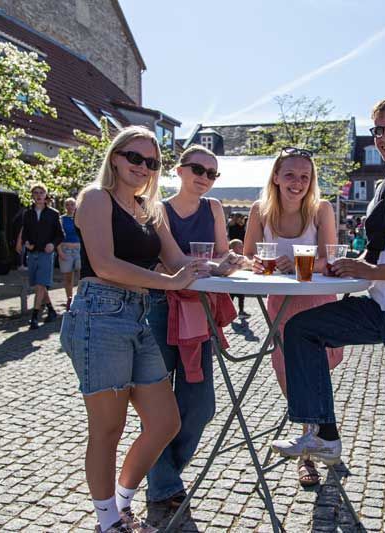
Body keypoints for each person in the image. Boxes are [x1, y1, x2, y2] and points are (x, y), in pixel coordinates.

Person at [271, 96, 385, 533]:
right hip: (379, 307)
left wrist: (370, 270)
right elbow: (378, 250)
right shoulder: (384, 185)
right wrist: (338, 265)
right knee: (302, 329)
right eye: (379, 131)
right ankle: (324, 436)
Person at [60, 125, 210, 533]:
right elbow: (104, 264)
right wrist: (169, 282)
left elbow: (179, 260)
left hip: (136, 314)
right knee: (108, 427)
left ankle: (122, 503)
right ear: (115, 157)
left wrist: (226, 266)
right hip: (98, 314)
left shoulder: (150, 208)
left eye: (152, 162)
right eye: (135, 158)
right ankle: (108, 521)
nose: (143, 167)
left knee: (165, 421)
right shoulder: (95, 198)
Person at [144, 144, 242, 512]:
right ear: (180, 170)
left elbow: (217, 254)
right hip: (158, 306)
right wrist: (212, 267)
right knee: (157, 405)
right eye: (198, 169)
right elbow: (163, 264)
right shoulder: (157, 208)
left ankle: (165, 477)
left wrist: (229, 261)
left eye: (212, 173)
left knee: (200, 405)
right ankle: (165, 484)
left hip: (198, 308)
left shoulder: (213, 207)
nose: (205, 178)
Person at [244, 146, 341, 488]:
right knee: (287, 375)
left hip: (316, 301)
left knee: (313, 374)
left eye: (304, 176)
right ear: (275, 177)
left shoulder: (321, 209)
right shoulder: (260, 211)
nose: (297, 182)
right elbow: (246, 256)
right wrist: (256, 264)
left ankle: (309, 452)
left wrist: (298, 265)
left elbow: (330, 261)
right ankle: (320, 435)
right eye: (290, 175)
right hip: (280, 302)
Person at [21, 183, 64, 330]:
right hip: (33, 253)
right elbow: (25, 231)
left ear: (46, 195)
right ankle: (51, 310)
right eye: (36, 193)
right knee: (39, 283)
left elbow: (60, 234)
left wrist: (53, 244)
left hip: (46, 254)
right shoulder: (27, 213)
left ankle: (34, 317)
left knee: (40, 284)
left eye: (41, 192)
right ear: (32, 196)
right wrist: (26, 242)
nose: (39, 195)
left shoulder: (53, 213)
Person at [59, 197, 82, 309]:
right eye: (67, 204)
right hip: (66, 249)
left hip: (79, 250)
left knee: (81, 276)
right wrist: (59, 251)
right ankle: (69, 299)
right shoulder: (61, 219)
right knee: (68, 277)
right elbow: (57, 236)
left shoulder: (80, 218)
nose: (70, 207)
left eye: (72, 204)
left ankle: (80, 298)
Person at [228, 238, 250, 317]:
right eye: (240, 247)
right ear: (232, 248)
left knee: (241, 297)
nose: (242, 248)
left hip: (239, 282)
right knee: (231, 298)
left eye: (242, 246)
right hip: (231, 283)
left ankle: (241, 311)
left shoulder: (243, 257)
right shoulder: (230, 256)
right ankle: (229, 312)